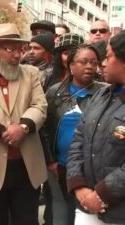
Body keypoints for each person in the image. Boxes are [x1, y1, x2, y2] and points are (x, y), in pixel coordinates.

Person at [0, 23, 48, 225]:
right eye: (10, 49)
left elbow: (40, 105)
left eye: (20, 49)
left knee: (27, 219)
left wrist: (23, 127)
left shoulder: (30, 73)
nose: (17, 55)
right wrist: (2, 130)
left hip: (26, 165)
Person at [41, 44, 106, 225]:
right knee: (60, 211)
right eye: (84, 62)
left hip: (89, 168)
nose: (90, 66)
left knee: (85, 212)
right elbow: (44, 128)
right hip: (59, 166)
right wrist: (50, 160)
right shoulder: (55, 92)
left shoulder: (105, 92)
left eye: (94, 62)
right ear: (71, 66)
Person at [67, 30, 125, 225]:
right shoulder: (101, 95)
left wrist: (100, 195)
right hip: (86, 206)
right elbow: (78, 140)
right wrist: (79, 187)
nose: (103, 63)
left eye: (108, 57)